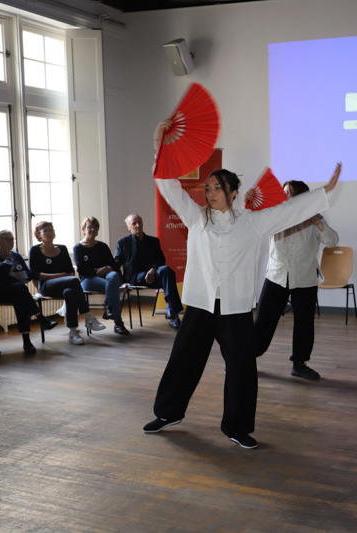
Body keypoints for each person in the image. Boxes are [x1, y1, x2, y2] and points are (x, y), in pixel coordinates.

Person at [143, 162, 342, 450]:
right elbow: (170, 188)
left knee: (242, 367)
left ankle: (237, 427)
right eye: (208, 188)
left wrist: (326, 190)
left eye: (217, 188)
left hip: (235, 308)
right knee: (183, 359)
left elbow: (288, 211)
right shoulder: (197, 218)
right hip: (201, 304)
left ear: (234, 193)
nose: (210, 193)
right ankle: (168, 413)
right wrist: (159, 147)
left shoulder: (252, 221)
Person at [249, 179, 339, 380]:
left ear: (301, 198)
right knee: (264, 320)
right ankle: (247, 360)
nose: (285, 197)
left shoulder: (314, 218)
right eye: (283, 193)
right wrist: (248, 201)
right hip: (276, 276)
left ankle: (299, 363)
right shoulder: (274, 216)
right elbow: (253, 225)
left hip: (304, 278)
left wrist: (318, 222)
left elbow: (333, 241)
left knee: (304, 323)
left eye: (289, 193)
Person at [29, 220, 105, 345]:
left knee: (70, 292)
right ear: (38, 235)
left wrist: (63, 277)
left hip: (65, 284)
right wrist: (57, 276)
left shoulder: (62, 249)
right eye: (45, 231)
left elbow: (70, 271)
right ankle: (88, 316)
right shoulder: (35, 250)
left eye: (51, 230)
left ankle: (73, 332)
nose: (49, 233)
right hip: (45, 286)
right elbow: (33, 274)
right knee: (74, 281)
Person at [0, 230, 58, 355]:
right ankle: (41, 318)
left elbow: (27, 274)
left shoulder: (16, 255)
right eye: (9, 239)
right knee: (20, 289)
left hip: (15, 291)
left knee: (20, 299)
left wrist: (16, 275)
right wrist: (9, 265)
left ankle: (27, 341)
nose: (12, 242)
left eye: (13, 239)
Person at [115, 214, 183, 329]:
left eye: (139, 222)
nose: (138, 225)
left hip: (153, 275)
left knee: (167, 271)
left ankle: (172, 313)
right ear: (128, 227)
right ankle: (174, 314)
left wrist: (152, 270)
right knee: (167, 279)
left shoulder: (153, 241)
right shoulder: (123, 242)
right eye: (134, 223)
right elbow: (116, 264)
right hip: (135, 278)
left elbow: (161, 260)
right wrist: (121, 282)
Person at [73, 217, 129, 335]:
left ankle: (109, 307)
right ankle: (118, 322)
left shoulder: (103, 246)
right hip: (88, 280)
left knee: (113, 275)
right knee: (113, 287)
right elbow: (82, 270)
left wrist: (109, 270)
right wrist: (97, 271)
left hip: (108, 278)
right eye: (89, 227)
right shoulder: (78, 248)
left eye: (96, 227)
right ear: (83, 229)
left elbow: (114, 265)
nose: (93, 229)